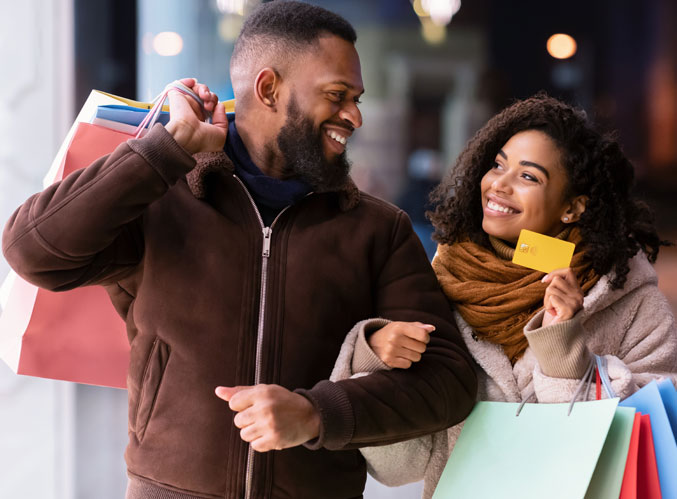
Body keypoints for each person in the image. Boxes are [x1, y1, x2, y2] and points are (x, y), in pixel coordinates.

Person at [2, 2, 478, 498]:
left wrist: (316, 414)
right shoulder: (163, 199)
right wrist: (164, 150)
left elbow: (448, 381)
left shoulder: (378, 229)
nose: (353, 116)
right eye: (337, 96)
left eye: (356, 98)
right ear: (269, 88)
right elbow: (32, 252)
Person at [331, 93, 677, 499]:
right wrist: (377, 358)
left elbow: (652, 440)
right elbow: (396, 467)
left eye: (529, 177)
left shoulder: (630, 298)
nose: (499, 184)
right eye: (498, 165)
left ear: (572, 207)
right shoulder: (442, 281)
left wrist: (566, 355)